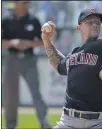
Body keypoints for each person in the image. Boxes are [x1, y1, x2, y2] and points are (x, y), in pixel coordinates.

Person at [2, 1, 51, 129]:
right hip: (12, 58)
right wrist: (13, 42)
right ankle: (10, 125)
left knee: (35, 92)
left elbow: (43, 42)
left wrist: (28, 43)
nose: (22, 4)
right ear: (15, 3)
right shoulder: (6, 20)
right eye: (20, 2)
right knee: (10, 95)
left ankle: (43, 121)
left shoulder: (33, 20)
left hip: (29, 59)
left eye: (25, 2)